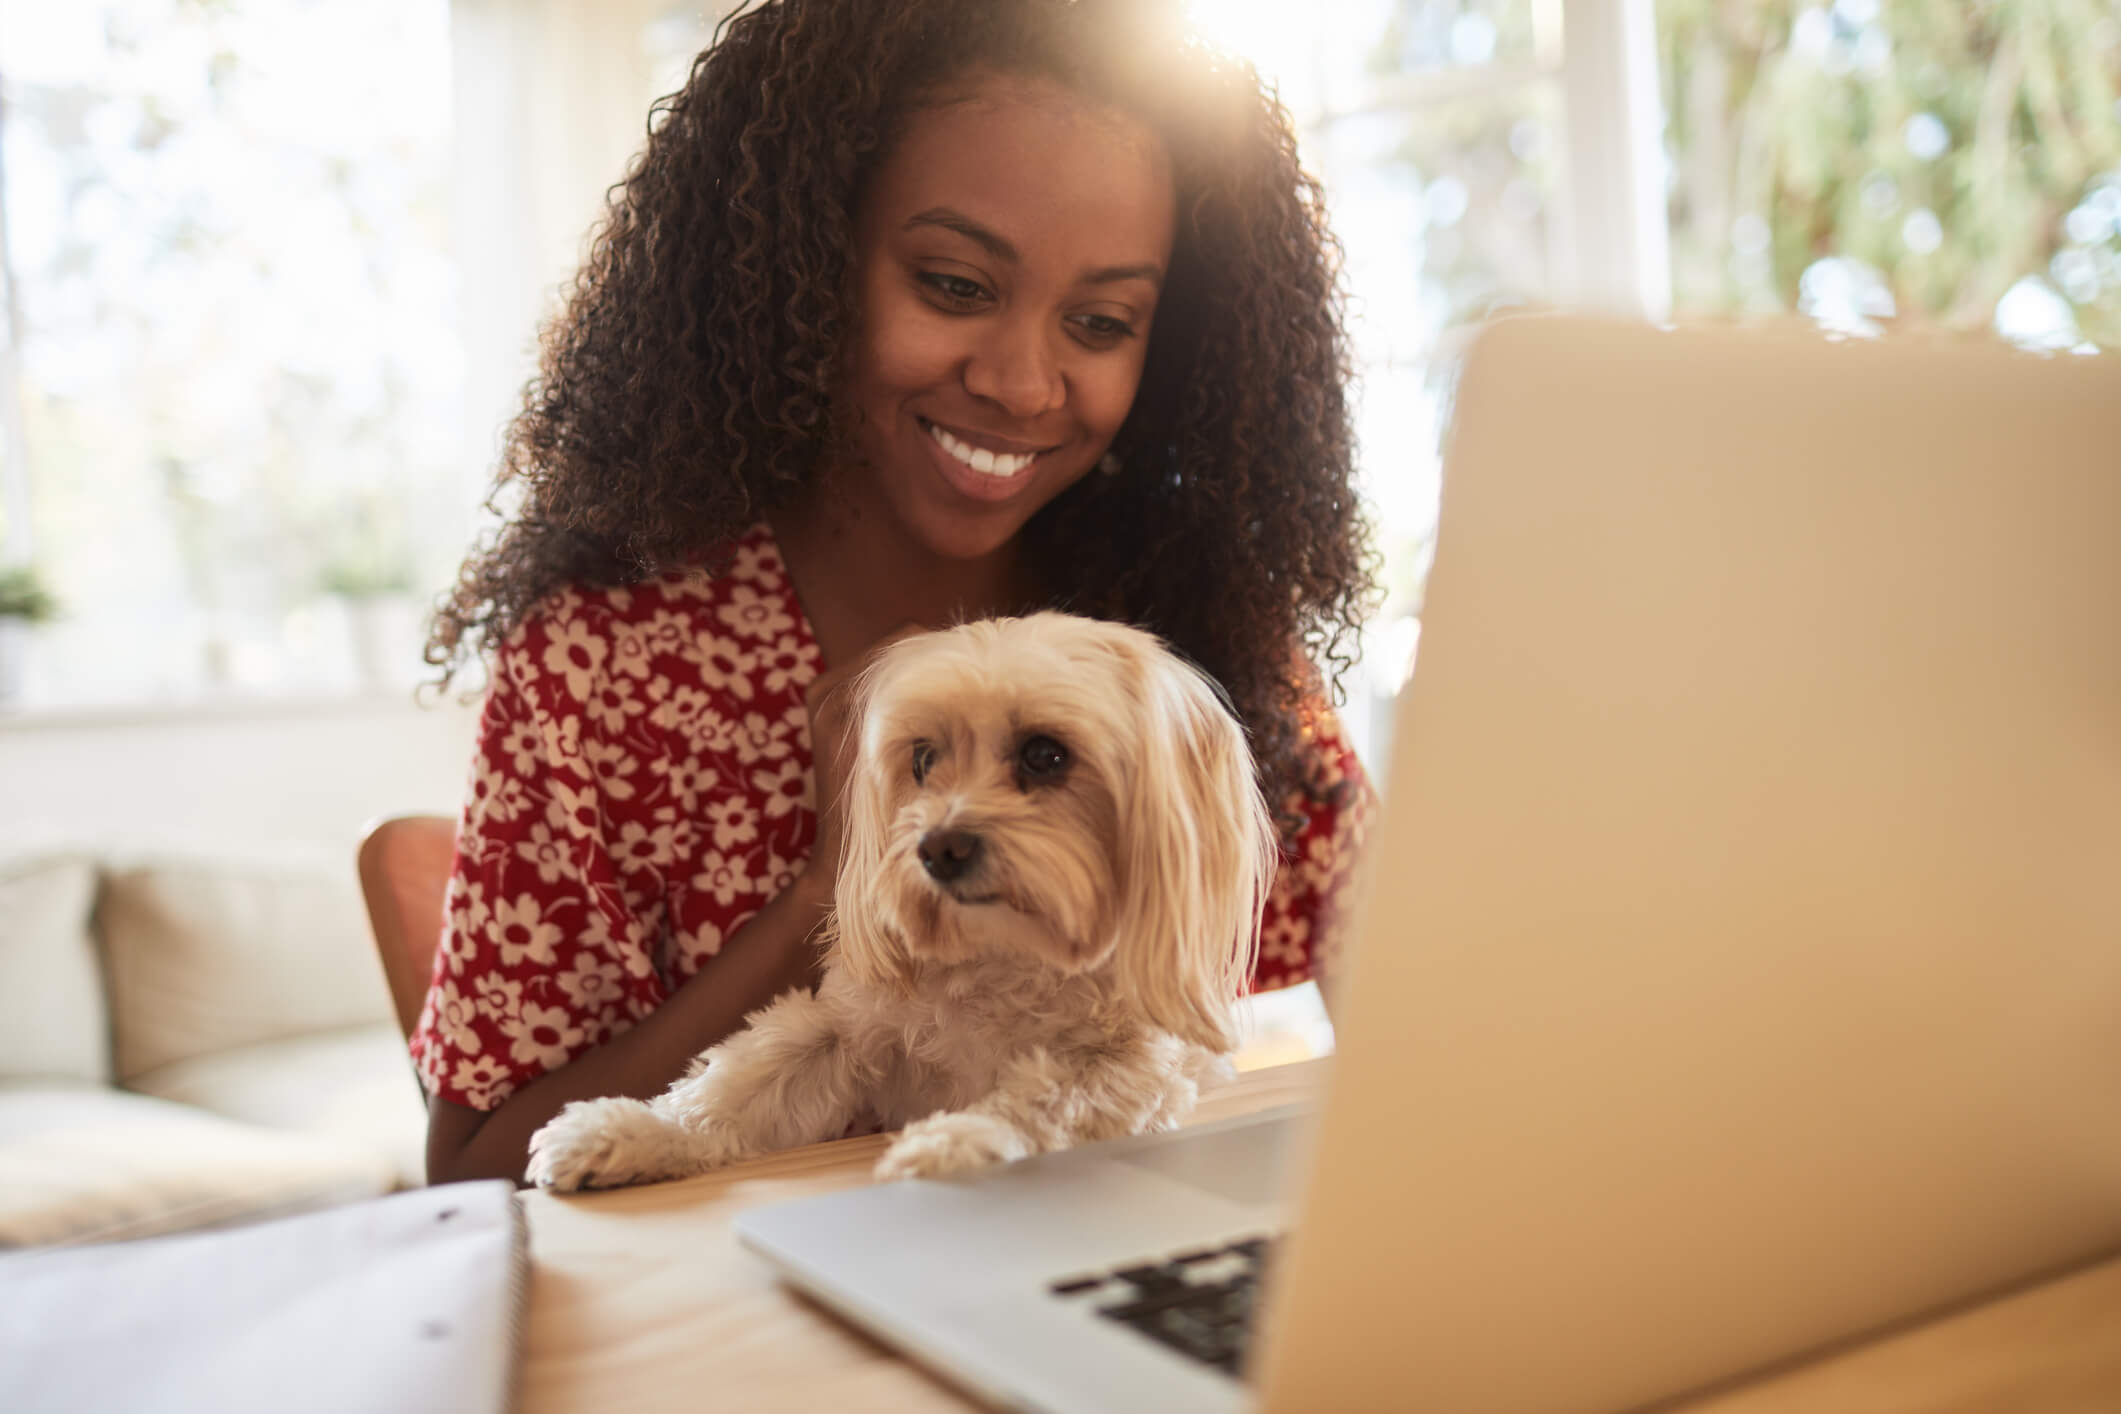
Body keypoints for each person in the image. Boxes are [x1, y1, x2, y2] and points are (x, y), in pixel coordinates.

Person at [412, 0, 1379, 1185]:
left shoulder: (1209, 635)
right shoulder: (604, 670)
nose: (1024, 383)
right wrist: (834, 887)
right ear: (801, 272)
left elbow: (1420, 1003)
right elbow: (471, 1172)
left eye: (1101, 320)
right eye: (956, 283)